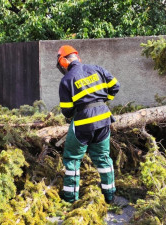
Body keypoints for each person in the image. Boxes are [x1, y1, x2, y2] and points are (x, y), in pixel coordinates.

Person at [57, 45, 120, 204]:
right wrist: (102, 102)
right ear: (77, 57)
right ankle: (110, 196)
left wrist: (77, 112)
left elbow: (66, 110)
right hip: (104, 119)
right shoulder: (97, 69)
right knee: (103, 158)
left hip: (83, 122)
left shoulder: (66, 80)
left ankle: (71, 199)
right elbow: (115, 86)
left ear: (64, 61)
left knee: (72, 159)